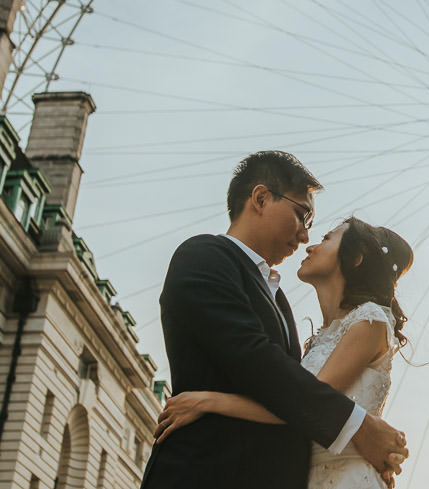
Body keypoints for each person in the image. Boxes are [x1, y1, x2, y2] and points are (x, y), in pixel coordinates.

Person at [139, 151, 408, 489]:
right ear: (261, 198)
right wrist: (357, 426)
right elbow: (255, 360)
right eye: (302, 215)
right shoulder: (203, 257)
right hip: (205, 473)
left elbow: (296, 394)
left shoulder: (280, 300)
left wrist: (359, 455)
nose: (305, 236)